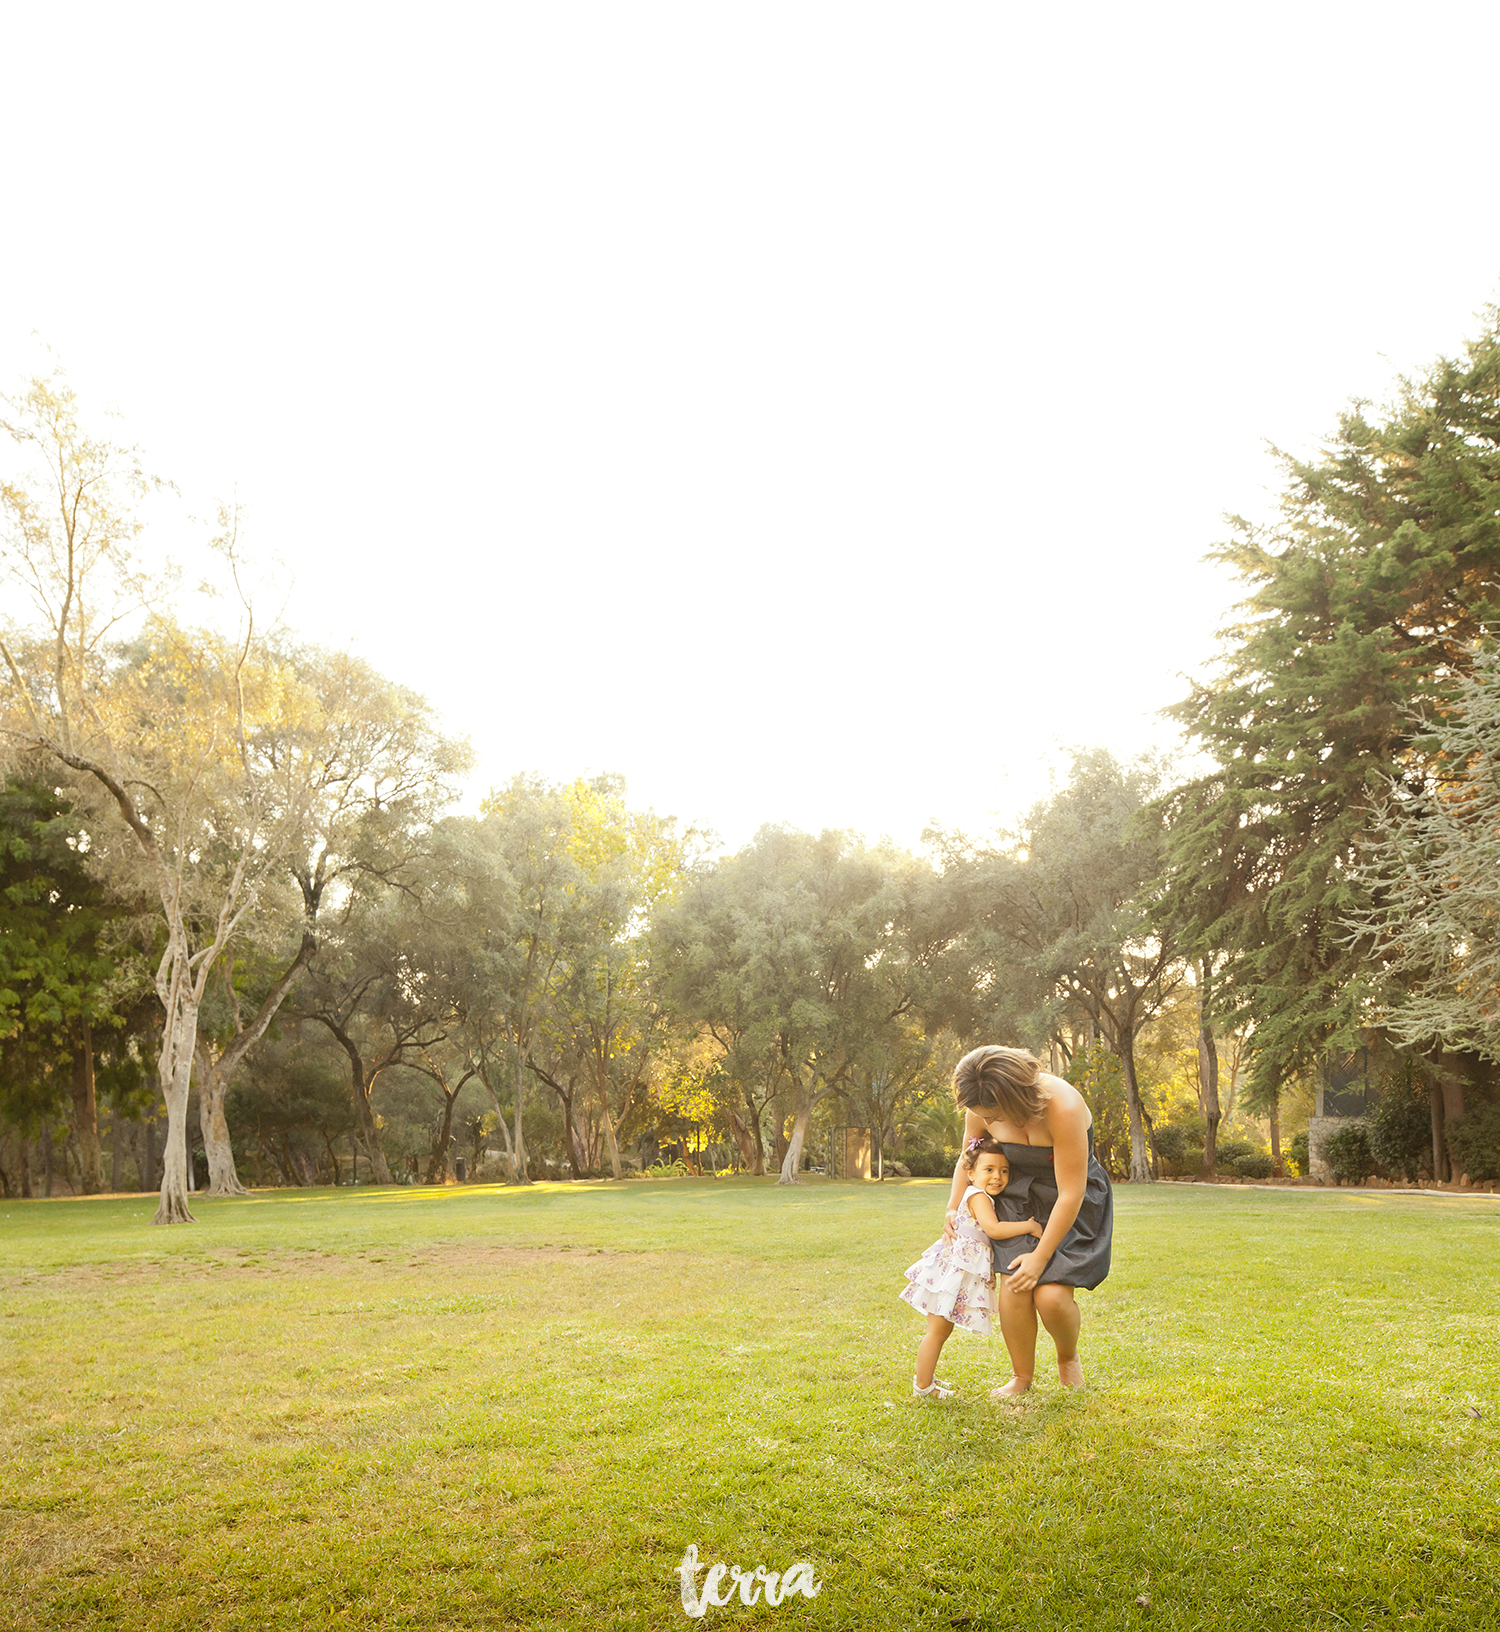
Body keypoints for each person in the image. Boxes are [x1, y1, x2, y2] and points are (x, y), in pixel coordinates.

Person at [943, 1044, 1113, 1399]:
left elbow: (1070, 1192)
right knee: (1015, 1287)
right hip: (1017, 1195)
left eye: (992, 1114)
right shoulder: (981, 1103)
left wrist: (1040, 1258)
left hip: (1069, 1197)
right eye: (980, 1114)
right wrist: (953, 1208)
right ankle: (1022, 1377)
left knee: (1051, 1298)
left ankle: (1068, 1359)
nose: (985, 1121)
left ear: (1015, 1097)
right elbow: (968, 1158)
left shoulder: (1062, 1106)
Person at [900, 1136, 1043, 1397]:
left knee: (939, 1330)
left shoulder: (977, 1194)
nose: (997, 1177)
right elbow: (994, 1229)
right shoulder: (978, 1197)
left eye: (1004, 1171)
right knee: (937, 1331)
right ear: (970, 1173)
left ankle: (926, 1381)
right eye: (988, 1170)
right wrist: (1030, 1226)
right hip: (954, 1273)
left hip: (955, 1271)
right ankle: (922, 1386)